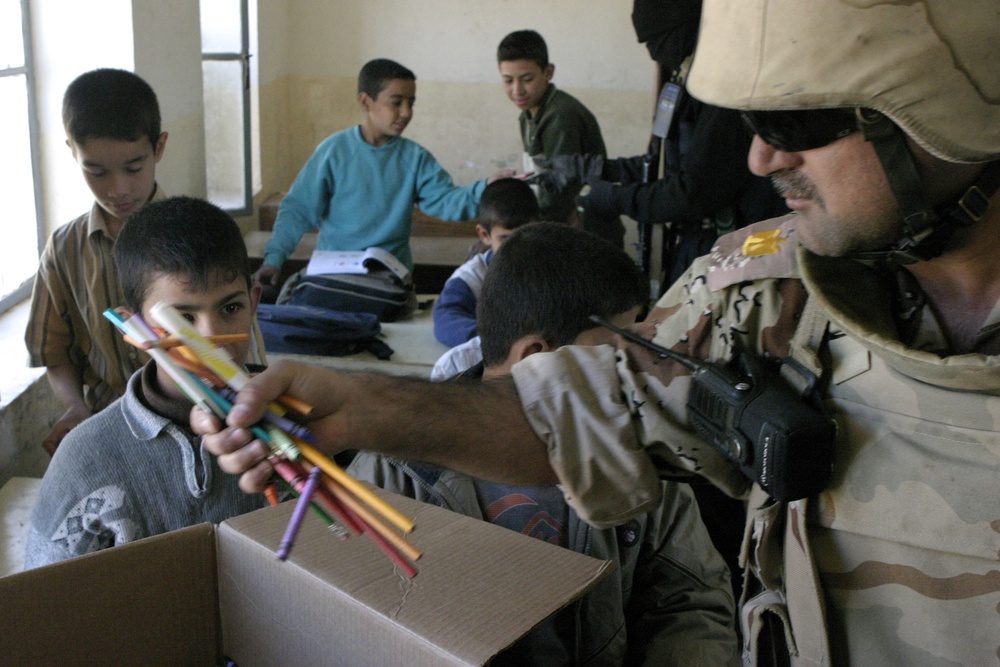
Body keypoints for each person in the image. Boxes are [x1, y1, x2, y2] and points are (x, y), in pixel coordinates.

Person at [195, 2, 1000, 664]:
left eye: (799, 120)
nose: (759, 157)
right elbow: (579, 413)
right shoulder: (764, 291)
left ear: (943, 114)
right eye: (757, 120)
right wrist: (359, 409)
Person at [351, 221, 738, 665]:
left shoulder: (641, 448)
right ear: (536, 359)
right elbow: (361, 630)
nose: (635, 372)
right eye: (615, 354)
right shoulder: (393, 474)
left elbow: (690, 601)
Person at [25, 196, 266, 569]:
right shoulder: (85, 460)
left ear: (253, 303)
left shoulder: (290, 425)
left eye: (231, 308)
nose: (211, 340)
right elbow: (45, 603)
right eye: (181, 318)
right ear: (133, 327)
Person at [536, 0, 787, 291]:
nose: (653, 51)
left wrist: (616, 198)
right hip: (697, 247)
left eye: (658, 39)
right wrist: (591, 168)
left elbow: (692, 192)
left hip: (742, 254)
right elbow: (661, 163)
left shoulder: (725, 90)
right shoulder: (685, 80)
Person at [254, 58, 512, 288]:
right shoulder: (334, 152)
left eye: (411, 103)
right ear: (366, 102)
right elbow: (298, 209)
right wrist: (274, 259)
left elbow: (446, 202)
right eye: (396, 102)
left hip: (389, 278)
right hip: (333, 275)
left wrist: (486, 187)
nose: (406, 112)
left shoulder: (415, 158)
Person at [24, 68, 169, 456]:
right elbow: (55, 351)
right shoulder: (64, 249)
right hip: (110, 430)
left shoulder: (198, 237)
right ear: (72, 151)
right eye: (96, 170)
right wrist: (75, 406)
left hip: (193, 427)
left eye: (134, 168)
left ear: (159, 148)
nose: (118, 188)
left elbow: (243, 356)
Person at [497, 30, 625, 248]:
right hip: (560, 226)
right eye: (508, 80)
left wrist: (528, 230)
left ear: (548, 72)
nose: (517, 90)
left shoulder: (560, 116)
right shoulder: (528, 115)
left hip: (586, 231)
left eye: (527, 79)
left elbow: (561, 189)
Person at [432, 177, 540, 348]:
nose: (516, 247)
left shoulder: (552, 267)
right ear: (484, 235)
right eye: (505, 238)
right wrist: (496, 343)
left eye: (526, 235)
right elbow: (446, 319)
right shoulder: (472, 277)